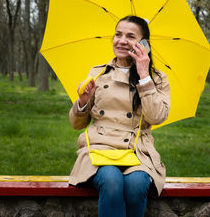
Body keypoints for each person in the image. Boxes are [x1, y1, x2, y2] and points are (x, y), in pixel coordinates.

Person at [68, 15, 170, 217]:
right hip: (100, 148)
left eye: (130, 36)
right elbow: (77, 124)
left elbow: (157, 116)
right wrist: (82, 102)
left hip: (137, 151)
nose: (121, 40)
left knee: (137, 184)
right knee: (111, 182)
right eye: (118, 34)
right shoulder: (98, 73)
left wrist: (144, 76)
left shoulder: (157, 78)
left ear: (144, 44)